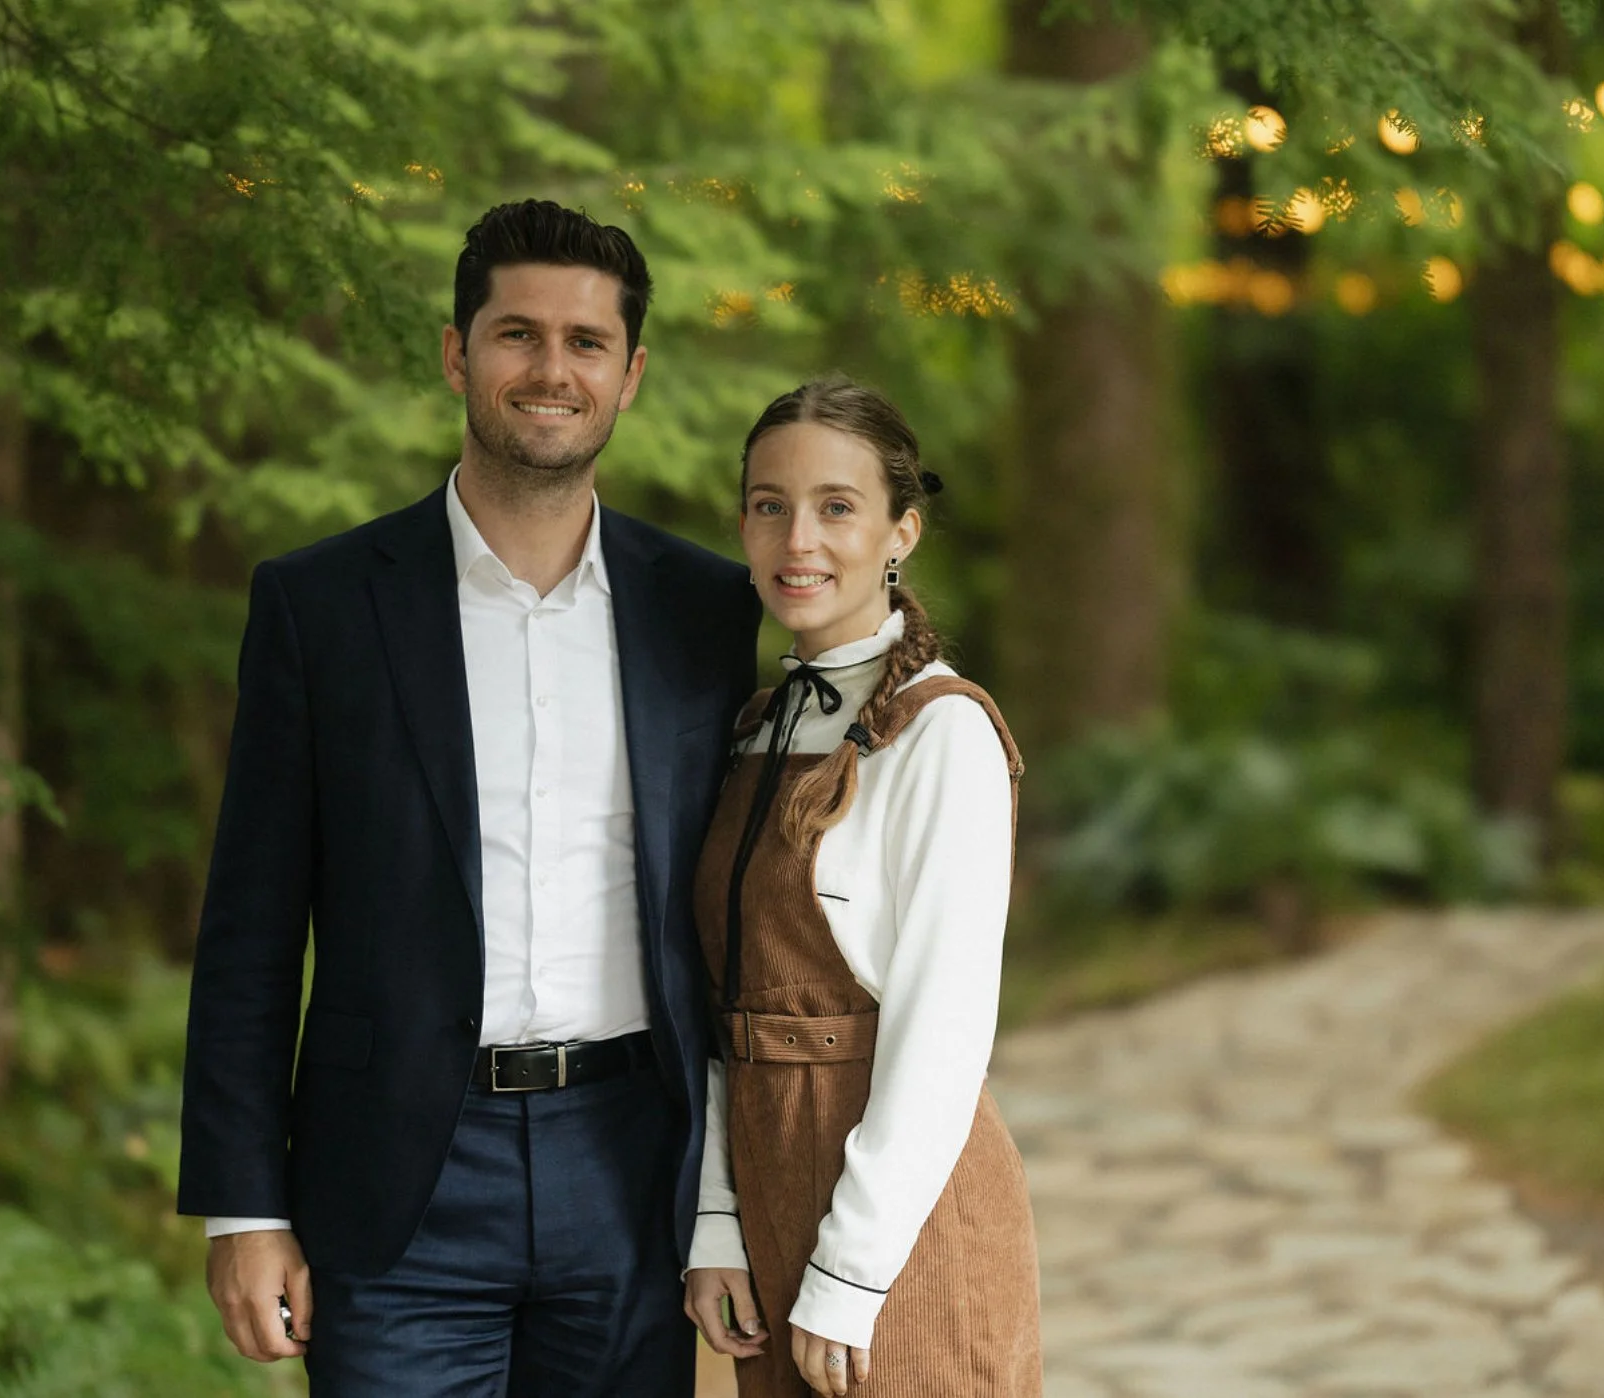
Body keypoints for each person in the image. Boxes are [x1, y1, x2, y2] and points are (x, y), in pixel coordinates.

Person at [177, 199, 761, 1397]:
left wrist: (727, 1199)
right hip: (398, 1180)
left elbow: (730, 914)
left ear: (629, 374)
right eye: (516, 334)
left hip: (627, 1164)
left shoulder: (703, 611)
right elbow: (248, 925)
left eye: (585, 343)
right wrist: (240, 1205)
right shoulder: (323, 605)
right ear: (456, 352)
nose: (551, 370)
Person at [681, 378, 1041, 1397]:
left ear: (900, 533)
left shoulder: (943, 734)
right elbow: (717, 1005)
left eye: (836, 507)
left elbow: (942, 1034)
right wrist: (717, 1220)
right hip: (766, 1186)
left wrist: (850, 1271)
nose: (798, 538)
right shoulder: (753, 729)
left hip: (902, 1222)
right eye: (768, 505)